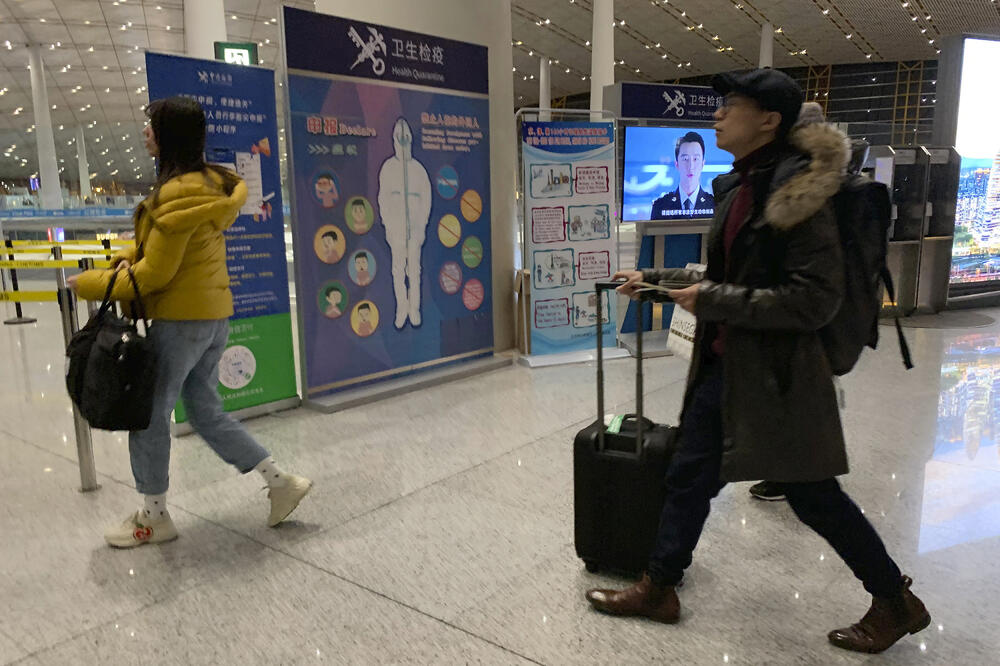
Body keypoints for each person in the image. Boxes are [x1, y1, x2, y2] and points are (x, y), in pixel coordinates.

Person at [587, 70, 929, 654]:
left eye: (732, 107)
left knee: (813, 494)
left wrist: (714, 300)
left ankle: (894, 600)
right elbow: (729, 277)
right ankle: (660, 585)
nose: (718, 116)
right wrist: (655, 279)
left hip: (778, 378)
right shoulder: (741, 184)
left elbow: (815, 299)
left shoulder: (801, 194)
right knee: (688, 476)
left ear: (768, 120)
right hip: (726, 367)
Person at [69, 96, 313, 548]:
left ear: (169, 136)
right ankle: (280, 482)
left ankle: (153, 517)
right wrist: (127, 255)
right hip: (212, 318)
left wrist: (89, 284)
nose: (146, 134)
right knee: (203, 409)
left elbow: (155, 275)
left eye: (152, 127)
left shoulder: (175, 194)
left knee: (149, 415)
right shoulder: (209, 184)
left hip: (178, 321)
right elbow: (169, 253)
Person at [650, 131, 716, 220]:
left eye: (696, 159)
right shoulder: (661, 205)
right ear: (677, 164)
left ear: (702, 164)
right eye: (685, 159)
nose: (691, 166)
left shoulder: (715, 205)